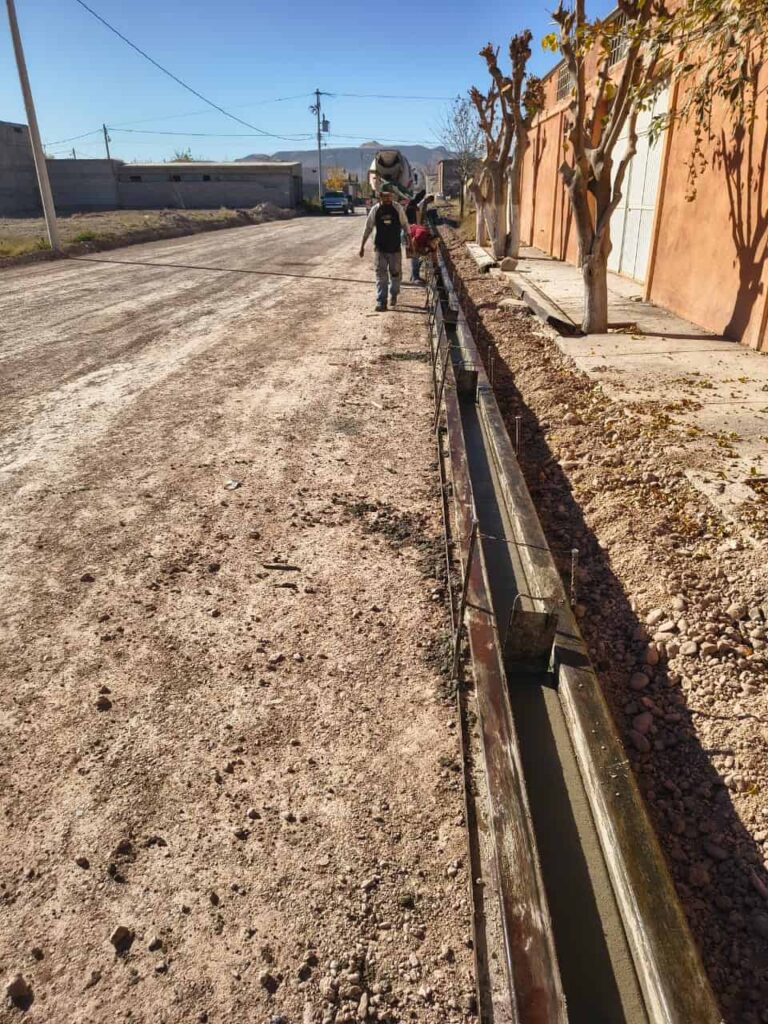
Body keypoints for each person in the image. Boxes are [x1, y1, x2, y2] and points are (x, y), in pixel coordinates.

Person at [359, 183, 412, 312]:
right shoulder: (375, 210)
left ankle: (394, 293)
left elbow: (405, 225)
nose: (387, 198)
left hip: (395, 248)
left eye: (389, 196)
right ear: (380, 196)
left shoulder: (398, 208)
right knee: (381, 276)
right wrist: (362, 246)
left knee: (395, 275)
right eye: (385, 196)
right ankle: (381, 301)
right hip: (380, 248)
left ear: (392, 196)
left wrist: (410, 242)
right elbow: (368, 228)